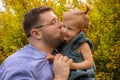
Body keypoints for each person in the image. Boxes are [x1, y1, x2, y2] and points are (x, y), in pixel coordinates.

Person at [0, 6, 72, 80]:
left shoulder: (61, 51)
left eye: (58, 20)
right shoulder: (19, 65)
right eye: (53, 23)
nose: (61, 25)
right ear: (36, 33)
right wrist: (60, 77)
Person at [47, 3, 96, 80]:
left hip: (82, 77)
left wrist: (73, 66)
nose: (64, 31)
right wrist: (54, 58)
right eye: (64, 26)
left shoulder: (82, 44)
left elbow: (89, 63)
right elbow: (65, 58)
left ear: (81, 31)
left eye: (70, 29)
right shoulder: (65, 42)